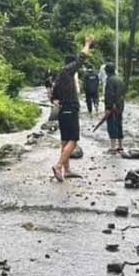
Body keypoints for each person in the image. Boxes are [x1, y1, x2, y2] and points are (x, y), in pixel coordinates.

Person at [50, 37, 93, 181]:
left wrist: (55, 100)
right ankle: (58, 166)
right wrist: (87, 43)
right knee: (73, 140)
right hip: (70, 110)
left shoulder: (59, 76)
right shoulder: (68, 71)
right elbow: (82, 58)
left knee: (65, 141)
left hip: (63, 111)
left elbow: (53, 95)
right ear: (71, 64)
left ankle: (66, 170)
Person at [103, 63, 126, 154]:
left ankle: (113, 147)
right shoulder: (120, 79)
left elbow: (109, 95)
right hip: (120, 106)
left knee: (112, 125)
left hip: (113, 107)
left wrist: (108, 107)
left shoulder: (110, 80)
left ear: (106, 71)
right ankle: (120, 146)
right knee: (119, 124)